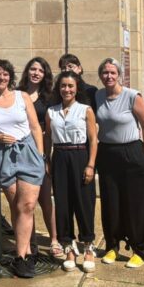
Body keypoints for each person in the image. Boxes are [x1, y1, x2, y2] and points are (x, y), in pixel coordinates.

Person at [0, 58, 45, 279]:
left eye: (5, 74)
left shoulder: (22, 97)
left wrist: (40, 155)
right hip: (2, 156)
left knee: (27, 205)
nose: (1, 77)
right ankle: (26, 251)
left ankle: (21, 257)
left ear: (10, 77)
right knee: (16, 206)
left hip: (27, 152)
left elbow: (35, 127)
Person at [94, 58, 144, 269]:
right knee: (110, 203)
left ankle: (140, 250)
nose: (109, 76)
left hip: (131, 152)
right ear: (100, 75)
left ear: (119, 75)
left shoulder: (132, 96)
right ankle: (112, 246)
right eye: (105, 72)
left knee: (135, 204)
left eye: (113, 72)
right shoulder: (98, 96)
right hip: (107, 153)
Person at [44, 71, 98, 272]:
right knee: (63, 204)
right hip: (59, 157)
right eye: (63, 86)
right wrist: (47, 159)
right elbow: (48, 137)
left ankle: (88, 248)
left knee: (84, 203)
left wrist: (90, 165)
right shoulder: (51, 112)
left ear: (77, 88)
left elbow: (93, 139)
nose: (66, 89)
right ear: (58, 88)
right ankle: (69, 248)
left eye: (70, 86)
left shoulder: (85, 110)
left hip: (80, 155)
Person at [20, 56, 61, 258]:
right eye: (33, 69)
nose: (36, 73)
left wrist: (46, 157)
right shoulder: (17, 94)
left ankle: (54, 239)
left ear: (45, 75)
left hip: (41, 151)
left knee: (45, 199)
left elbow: (51, 129)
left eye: (40, 70)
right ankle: (31, 241)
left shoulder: (49, 98)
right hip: (21, 151)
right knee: (26, 201)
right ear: (27, 71)